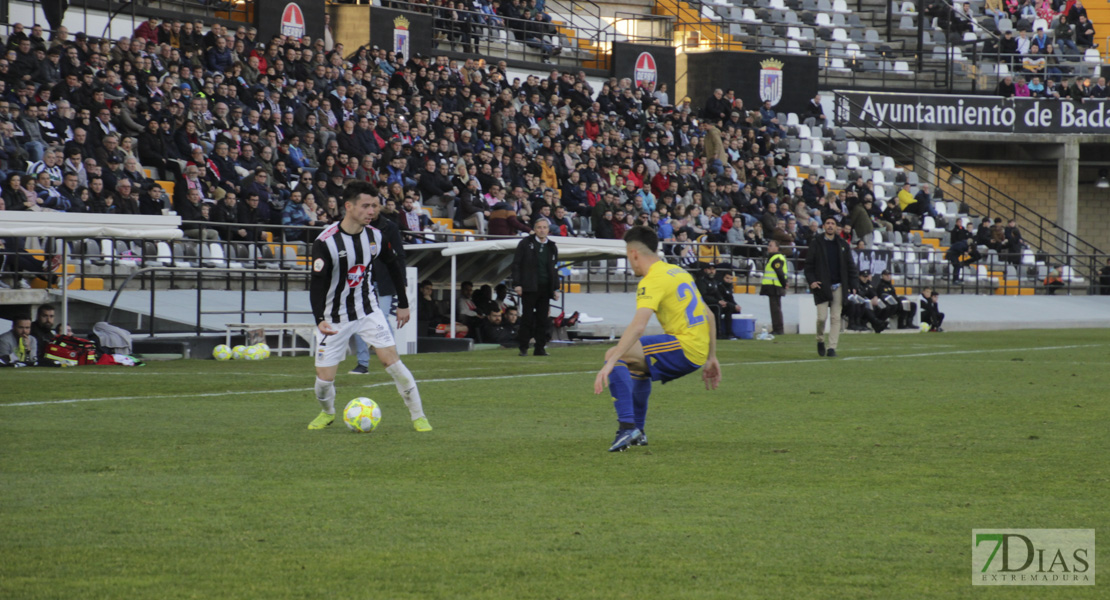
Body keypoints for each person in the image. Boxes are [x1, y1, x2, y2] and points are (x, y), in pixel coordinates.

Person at [306, 181, 431, 433]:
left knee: (392, 363)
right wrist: (319, 318)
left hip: (368, 310)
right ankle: (328, 412)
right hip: (334, 317)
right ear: (349, 206)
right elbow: (317, 284)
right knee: (323, 381)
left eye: (375, 205)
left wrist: (403, 304)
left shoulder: (376, 236)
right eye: (366, 205)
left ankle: (419, 417)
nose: (371, 211)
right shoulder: (326, 242)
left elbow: (395, 268)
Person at [593, 226, 721, 452]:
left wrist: (611, 361)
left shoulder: (652, 280)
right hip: (697, 348)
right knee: (638, 368)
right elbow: (708, 314)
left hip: (685, 345)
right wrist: (712, 357)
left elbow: (639, 326)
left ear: (634, 253)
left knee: (615, 354)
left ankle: (627, 427)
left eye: (627, 255)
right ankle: (638, 431)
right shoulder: (678, 271)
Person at [803, 216, 859, 358]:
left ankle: (832, 348)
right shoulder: (816, 243)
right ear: (824, 226)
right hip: (822, 285)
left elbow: (850, 266)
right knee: (822, 318)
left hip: (839, 285)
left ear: (836, 227)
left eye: (832, 224)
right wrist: (812, 281)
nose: (830, 226)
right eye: (827, 223)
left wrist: (854, 284)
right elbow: (808, 265)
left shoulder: (842, 244)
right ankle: (820, 339)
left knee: (835, 318)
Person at [511, 218, 559, 357]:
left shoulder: (551, 246)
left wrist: (555, 288)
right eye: (539, 227)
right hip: (529, 286)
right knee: (527, 318)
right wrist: (517, 284)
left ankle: (540, 348)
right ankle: (523, 347)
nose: (542, 230)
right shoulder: (525, 243)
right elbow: (516, 265)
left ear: (548, 230)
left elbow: (554, 268)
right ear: (534, 229)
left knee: (543, 319)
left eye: (544, 227)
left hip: (545, 288)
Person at [759, 240, 788, 335]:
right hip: (774, 286)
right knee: (776, 309)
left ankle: (778, 329)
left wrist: (784, 284)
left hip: (774, 286)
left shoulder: (776, 258)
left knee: (775, 309)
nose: (768, 247)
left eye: (771, 246)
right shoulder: (775, 257)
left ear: (777, 248)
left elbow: (779, 272)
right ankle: (777, 328)